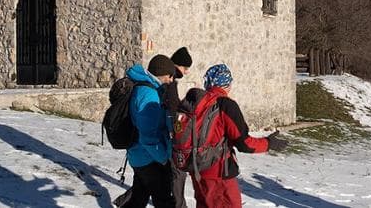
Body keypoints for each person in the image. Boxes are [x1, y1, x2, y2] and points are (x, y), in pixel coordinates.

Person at [189, 63, 288, 208]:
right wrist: (268, 143)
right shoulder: (225, 105)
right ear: (226, 84)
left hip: (196, 169)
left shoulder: (196, 102)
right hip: (219, 173)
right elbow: (244, 143)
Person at [122, 54, 177, 208]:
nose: (171, 80)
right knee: (164, 201)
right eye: (170, 76)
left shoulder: (144, 87)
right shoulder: (149, 95)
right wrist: (163, 158)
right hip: (150, 158)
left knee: (138, 200)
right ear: (163, 74)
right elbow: (148, 136)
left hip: (139, 155)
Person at [168, 46, 194, 208]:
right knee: (178, 172)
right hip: (169, 136)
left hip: (164, 135)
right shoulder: (169, 84)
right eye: (185, 68)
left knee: (149, 177)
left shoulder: (170, 82)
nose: (186, 72)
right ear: (177, 65)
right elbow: (172, 110)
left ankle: (123, 202)